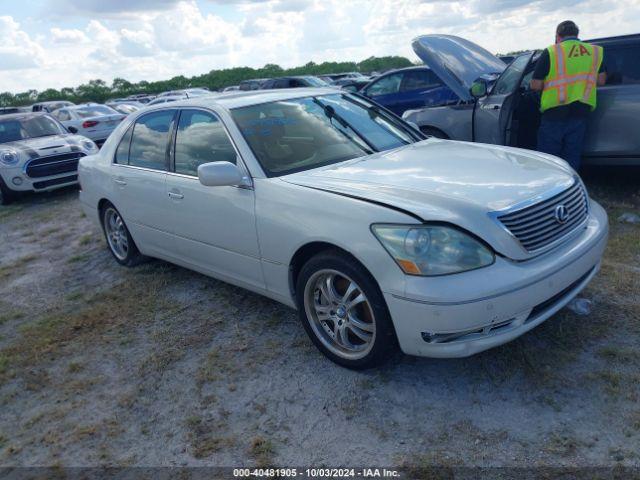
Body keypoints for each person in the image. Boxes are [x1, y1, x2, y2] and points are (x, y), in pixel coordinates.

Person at [530, 20, 606, 170]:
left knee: (548, 157)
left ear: (558, 36)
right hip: (581, 111)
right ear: (577, 35)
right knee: (572, 153)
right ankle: (570, 185)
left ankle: (550, 186)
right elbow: (601, 80)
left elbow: (535, 85)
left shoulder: (552, 52)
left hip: (554, 112)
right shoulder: (595, 51)